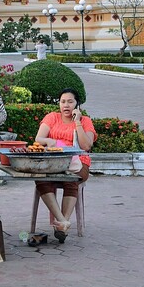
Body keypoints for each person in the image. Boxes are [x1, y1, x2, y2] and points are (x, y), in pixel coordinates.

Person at [33, 87, 97, 243]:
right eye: (63, 102)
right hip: (54, 162)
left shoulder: (85, 121)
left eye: (70, 102)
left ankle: (61, 223)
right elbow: (39, 138)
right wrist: (49, 141)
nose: (66, 105)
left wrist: (77, 123)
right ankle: (62, 222)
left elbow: (86, 145)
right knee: (40, 178)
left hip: (78, 164)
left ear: (77, 104)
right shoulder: (52, 117)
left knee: (71, 179)